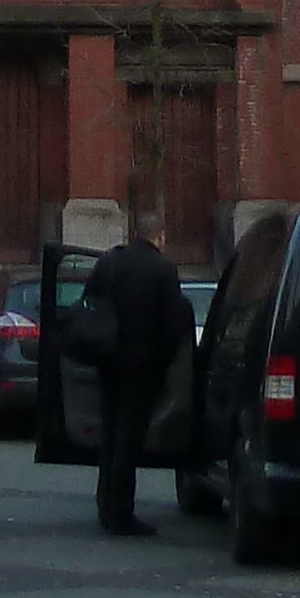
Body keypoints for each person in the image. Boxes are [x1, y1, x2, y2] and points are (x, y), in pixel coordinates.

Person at [81, 220, 192, 537]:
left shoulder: (109, 261)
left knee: (110, 433)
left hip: (107, 359)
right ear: (160, 235)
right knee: (129, 438)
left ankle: (105, 504)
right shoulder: (163, 270)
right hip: (142, 366)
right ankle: (121, 511)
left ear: (133, 232)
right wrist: (165, 358)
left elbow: (90, 303)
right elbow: (173, 321)